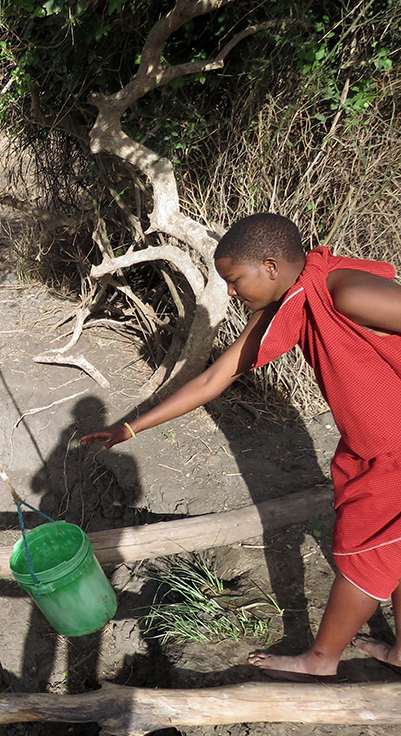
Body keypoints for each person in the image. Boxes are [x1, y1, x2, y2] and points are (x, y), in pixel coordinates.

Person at [80, 212, 401, 682]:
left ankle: (321, 659)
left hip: (394, 457)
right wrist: (130, 429)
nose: (230, 292)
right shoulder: (295, 302)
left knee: (361, 552)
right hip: (372, 448)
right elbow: (215, 376)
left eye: (234, 280)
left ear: (270, 266)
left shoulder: (344, 292)